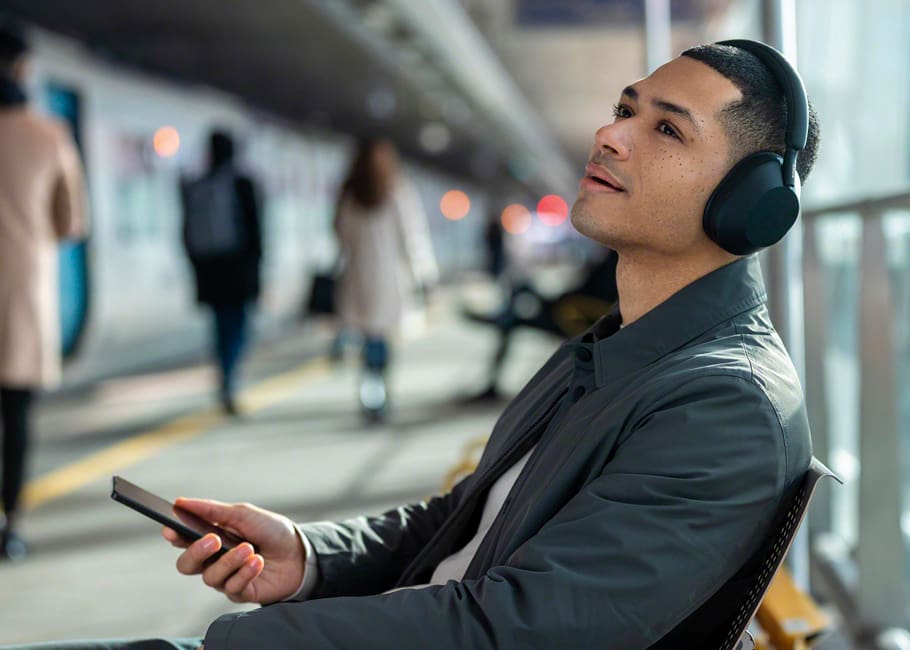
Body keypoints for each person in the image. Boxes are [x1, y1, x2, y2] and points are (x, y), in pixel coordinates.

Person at [10, 39, 821, 648]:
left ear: (751, 208)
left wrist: (228, 644)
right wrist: (310, 556)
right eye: (625, 107)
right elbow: (462, 520)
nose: (612, 135)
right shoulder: (620, 348)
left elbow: (513, 633)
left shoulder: (724, 404)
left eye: (668, 131)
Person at [0, 22, 87, 561]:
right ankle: (10, 524)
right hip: (19, 298)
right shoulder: (47, 133)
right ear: (20, 69)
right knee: (16, 419)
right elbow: (71, 221)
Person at [331, 138, 438, 421]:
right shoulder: (397, 188)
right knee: (384, 337)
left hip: (358, 276)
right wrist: (424, 276)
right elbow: (412, 236)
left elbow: (341, 235)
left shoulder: (349, 192)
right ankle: (378, 392)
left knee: (369, 337)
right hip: (391, 277)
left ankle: (371, 390)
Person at [180, 131, 262, 416]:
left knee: (220, 327)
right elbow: (257, 234)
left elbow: (185, 234)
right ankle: (230, 378)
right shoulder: (243, 184)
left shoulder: (197, 185)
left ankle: (225, 377)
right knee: (238, 328)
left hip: (211, 272)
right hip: (238, 271)